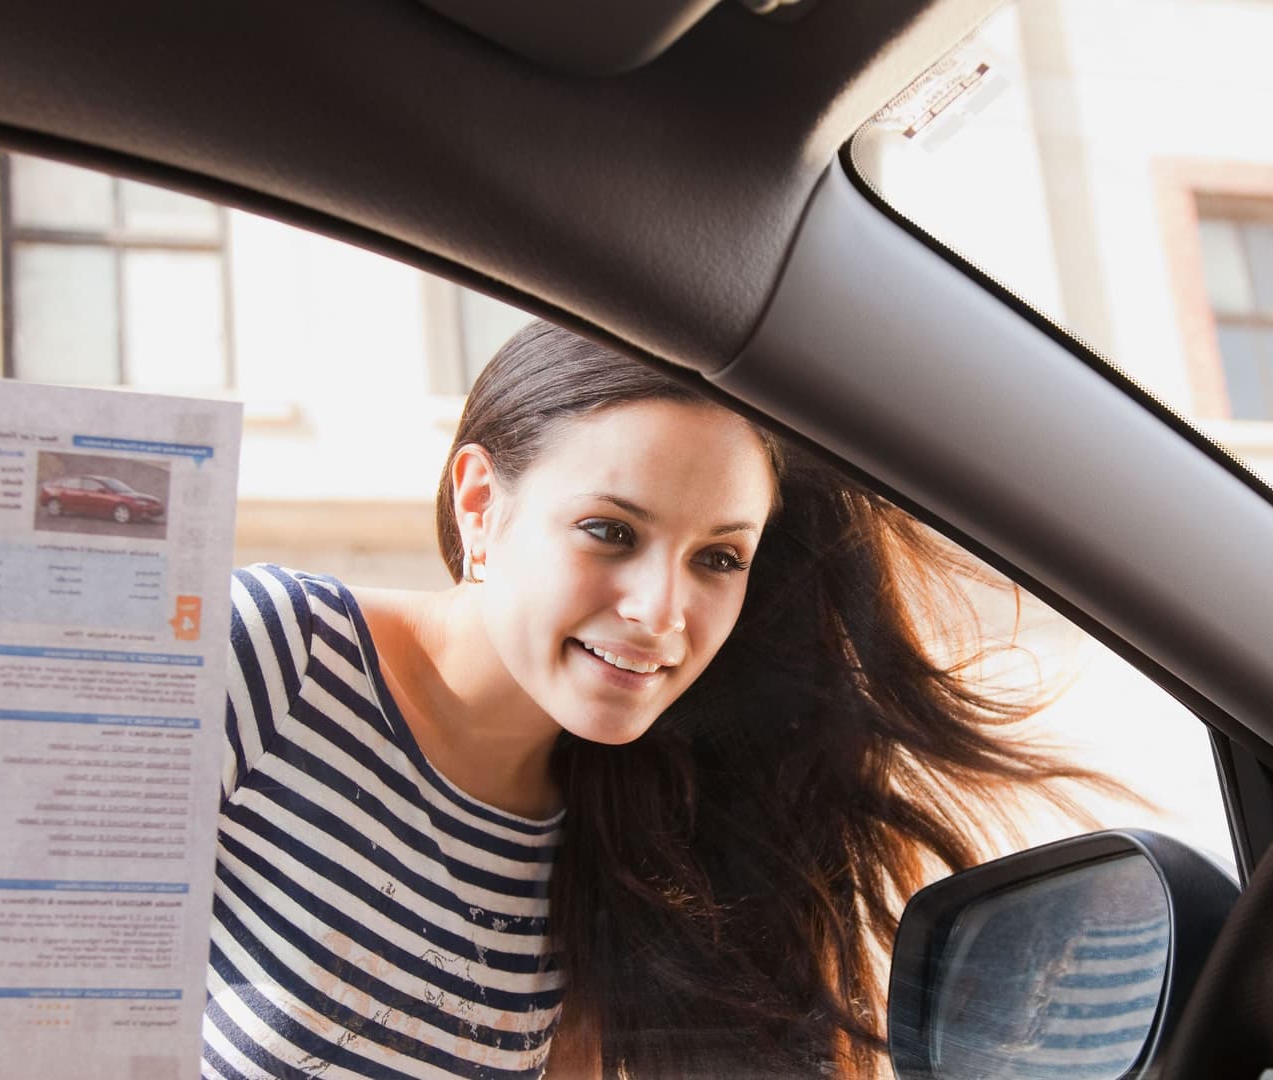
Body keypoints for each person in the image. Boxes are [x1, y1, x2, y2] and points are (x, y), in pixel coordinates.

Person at [201, 321, 1110, 1080]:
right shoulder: (267, 657)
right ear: (480, 505)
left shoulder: (633, 835)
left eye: (719, 558)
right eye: (610, 531)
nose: (661, 614)